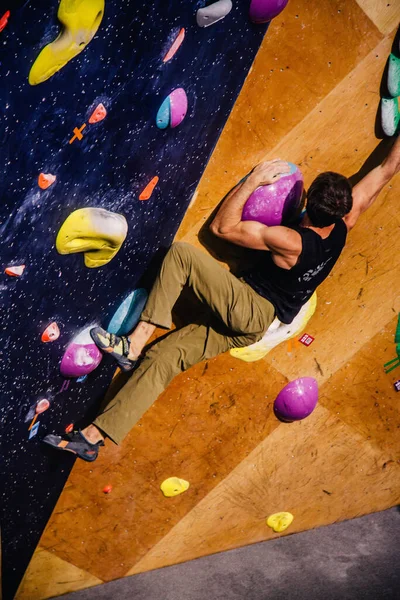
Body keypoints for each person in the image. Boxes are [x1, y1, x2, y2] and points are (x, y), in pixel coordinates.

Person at [43, 136, 400, 461]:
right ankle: (92, 438)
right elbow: (387, 168)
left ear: (307, 201)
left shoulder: (292, 242)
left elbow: (222, 229)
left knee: (182, 255)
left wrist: (254, 180)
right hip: (255, 328)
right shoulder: (345, 224)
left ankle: (132, 345)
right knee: (166, 356)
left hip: (252, 309)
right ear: (343, 208)